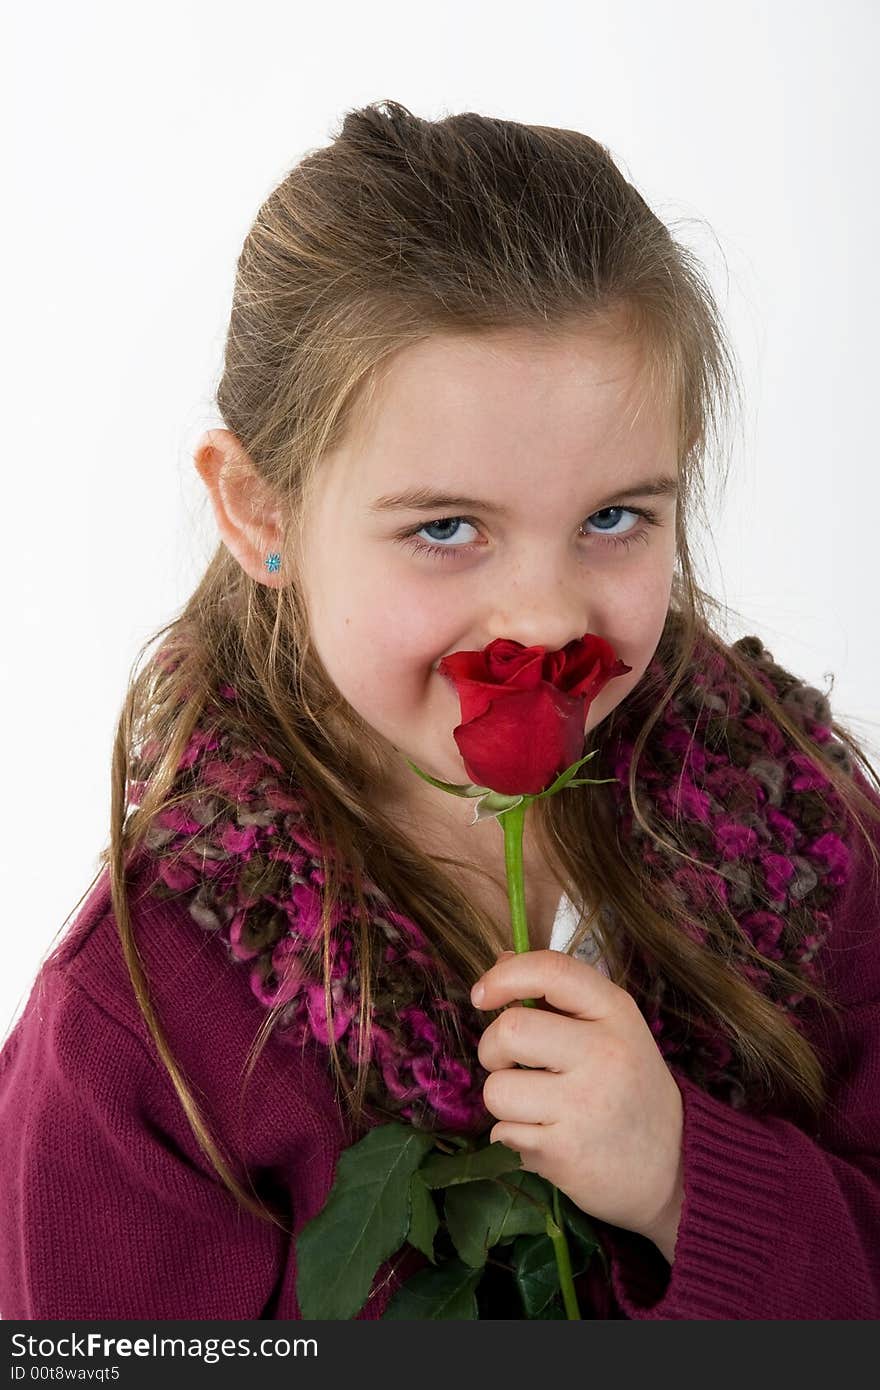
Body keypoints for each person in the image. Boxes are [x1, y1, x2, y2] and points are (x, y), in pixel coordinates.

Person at [2, 98, 879, 1321]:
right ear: (260, 511)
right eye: (446, 529)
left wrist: (693, 1184)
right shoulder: (145, 1024)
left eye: (613, 518)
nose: (543, 618)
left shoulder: (801, 832)